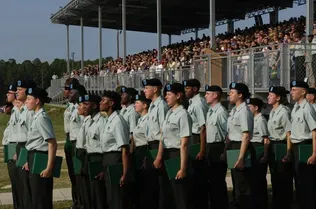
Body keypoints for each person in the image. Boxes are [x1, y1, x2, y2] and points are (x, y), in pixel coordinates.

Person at [153, 83, 192, 209]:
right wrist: (159, 157)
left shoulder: (183, 114)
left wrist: (183, 168)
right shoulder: (169, 113)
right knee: (167, 193)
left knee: (179, 194)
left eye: (169, 94)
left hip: (177, 155)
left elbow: (184, 143)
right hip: (167, 154)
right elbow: (162, 137)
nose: (166, 97)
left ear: (178, 95)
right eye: (166, 94)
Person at [24, 87, 56, 209]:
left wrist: (49, 167)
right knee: (36, 198)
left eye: (29, 99)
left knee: (41, 198)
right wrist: (29, 160)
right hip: (34, 157)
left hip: (41, 159)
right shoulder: (36, 116)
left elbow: (52, 143)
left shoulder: (42, 117)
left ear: (37, 101)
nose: (26, 101)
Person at [100, 90, 132, 209]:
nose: (101, 103)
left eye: (104, 100)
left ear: (111, 103)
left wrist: (125, 173)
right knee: (110, 196)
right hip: (108, 158)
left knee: (117, 197)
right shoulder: (109, 120)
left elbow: (124, 148)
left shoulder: (118, 121)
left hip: (116, 159)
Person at [227, 82, 254, 209]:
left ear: (240, 95)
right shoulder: (234, 110)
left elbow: (246, 135)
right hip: (234, 146)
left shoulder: (244, 111)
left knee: (243, 183)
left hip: (241, 147)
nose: (229, 94)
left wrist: (241, 157)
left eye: (232, 92)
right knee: (236, 181)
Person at [290, 80, 316, 209]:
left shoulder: (308, 108)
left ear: (303, 91)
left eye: (294, 89)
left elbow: (314, 131)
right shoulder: (295, 107)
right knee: (299, 182)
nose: (291, 92)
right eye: (291, 89)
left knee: (307, 183)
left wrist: (314, 153)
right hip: (296, 147)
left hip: (305, 146)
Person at [142, 78, 168, 209]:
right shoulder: (152, 105)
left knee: (160, 185)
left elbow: (164, 132)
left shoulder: (161, 106)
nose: (144, 91)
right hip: (151, 145)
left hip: (159, 145)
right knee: (152, 184)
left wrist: (159, 156)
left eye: (147, 88)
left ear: (155, 89)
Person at [183, 79, 208, 209]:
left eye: (188, 88)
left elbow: (203, 127)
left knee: (199, 177)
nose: (185, 90)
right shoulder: (193, 102)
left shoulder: (199, 104)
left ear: (195, 89)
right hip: (193, 137)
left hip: (198, 139)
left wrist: (202, 149)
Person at [267, 86, 293, 209]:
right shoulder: (273, 111)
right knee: (275, 175)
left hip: (282, 145)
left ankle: (284, 203)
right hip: (273, 145)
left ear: (278, 98)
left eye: (270, 95)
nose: (268, 97)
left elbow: (289, 134)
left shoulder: (284, 111)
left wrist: (288, 152)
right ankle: (277, 202)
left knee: (283, 177)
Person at [204, 85, 229, 209]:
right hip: (210, 147)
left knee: (218, 182)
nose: (205, 96)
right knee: (211, 181)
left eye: (208, 93)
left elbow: (228, 133)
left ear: (215, 95)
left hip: (218, 147)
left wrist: (224, 152)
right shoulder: (210, 110)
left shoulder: (221, 112)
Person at [16, 79, 37, 209]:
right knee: (23, 184)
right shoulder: (23, 109)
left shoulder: (29, 112)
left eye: (20, 90)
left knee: (27, 186)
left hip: (27, 148)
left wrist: (27, 156)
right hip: (21, 148)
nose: (17, 92)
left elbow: (31, 135)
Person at [84, 94, 107, 209]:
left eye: (86, 104)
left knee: (99, 195)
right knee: (92, 192)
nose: (84, 107)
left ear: (94, 106)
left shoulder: (101, 122)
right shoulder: (89, 121)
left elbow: (104, 146)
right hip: (90, 158)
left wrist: (103, 167)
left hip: (99, 159)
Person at [246, 98, 269, 209]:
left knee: (259, 179)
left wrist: (265, 154)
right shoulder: (252, 119)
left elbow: (265, 138)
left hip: (259, 147)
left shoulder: (260, 120)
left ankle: (262, 203)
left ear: (256, 108)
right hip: (252, 148)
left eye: (250, 106)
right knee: (253, 179)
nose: (248, 108)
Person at [2, 84, 21, 209]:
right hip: (10, 148)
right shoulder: (14, 111)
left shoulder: (19, 111)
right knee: (15, 184)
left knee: (19, 185)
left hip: (15, 148)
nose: (7, 95)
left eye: (9, 92)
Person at [63, 78, 80, 209]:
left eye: (69, 90)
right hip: (68, 140)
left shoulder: (80, 107)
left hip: (76, 142)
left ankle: (81, 201)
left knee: (78, 174)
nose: (66, 92)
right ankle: (75, 201)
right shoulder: (69, 106)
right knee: (72, 175)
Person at [131, 94, 151, 209]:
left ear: (144, 105)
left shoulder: (148, 119)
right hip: (138, 151)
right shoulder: (140, 119)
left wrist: (146, 158)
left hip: (144, 151)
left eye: (137, 103)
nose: (135, 105)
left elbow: (149, 140)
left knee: (145, 184)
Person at [75, 95, 92, 209]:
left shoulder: (90, 122)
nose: (79, 108)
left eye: (81, 105)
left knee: (87, 184)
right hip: (80, 153)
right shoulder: (84, 121)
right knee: (81, 183)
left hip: (85, 153)